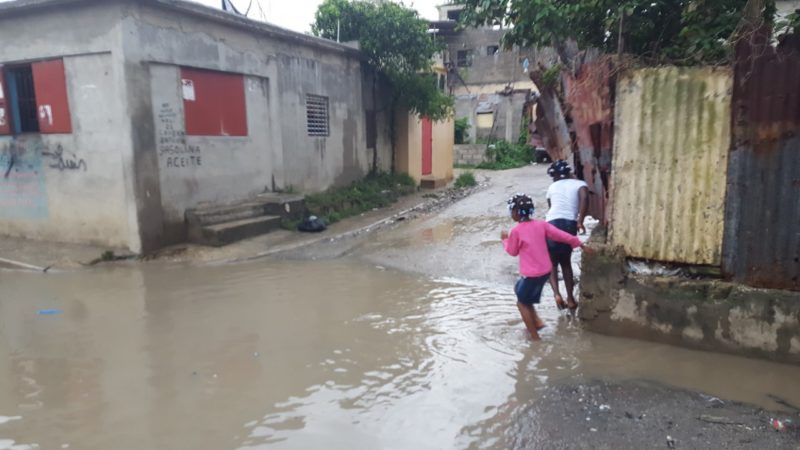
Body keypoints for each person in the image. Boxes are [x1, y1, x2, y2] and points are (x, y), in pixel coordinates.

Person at [501, 193, 589, 340]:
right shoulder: (541, 224)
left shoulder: (516, 231)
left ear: (515, 212)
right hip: (545, 272)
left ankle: (535, 337)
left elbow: (512, 251)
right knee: (519, 289)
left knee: (522, 303)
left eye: (511, 211)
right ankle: (537, 322)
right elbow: (561, 235)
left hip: (532, 275)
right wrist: (579, 243)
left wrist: (505, 240)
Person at [545, 160, 589, 311]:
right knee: (565, 262)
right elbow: (584, 198)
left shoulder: (552, 187)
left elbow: (551, 207)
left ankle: (557, 294)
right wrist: (580, 221)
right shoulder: (580, 184)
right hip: (569, 223)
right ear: (570, 172)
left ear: (555, 176)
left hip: (551, 223)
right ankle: (570, 299)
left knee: (551, 262)